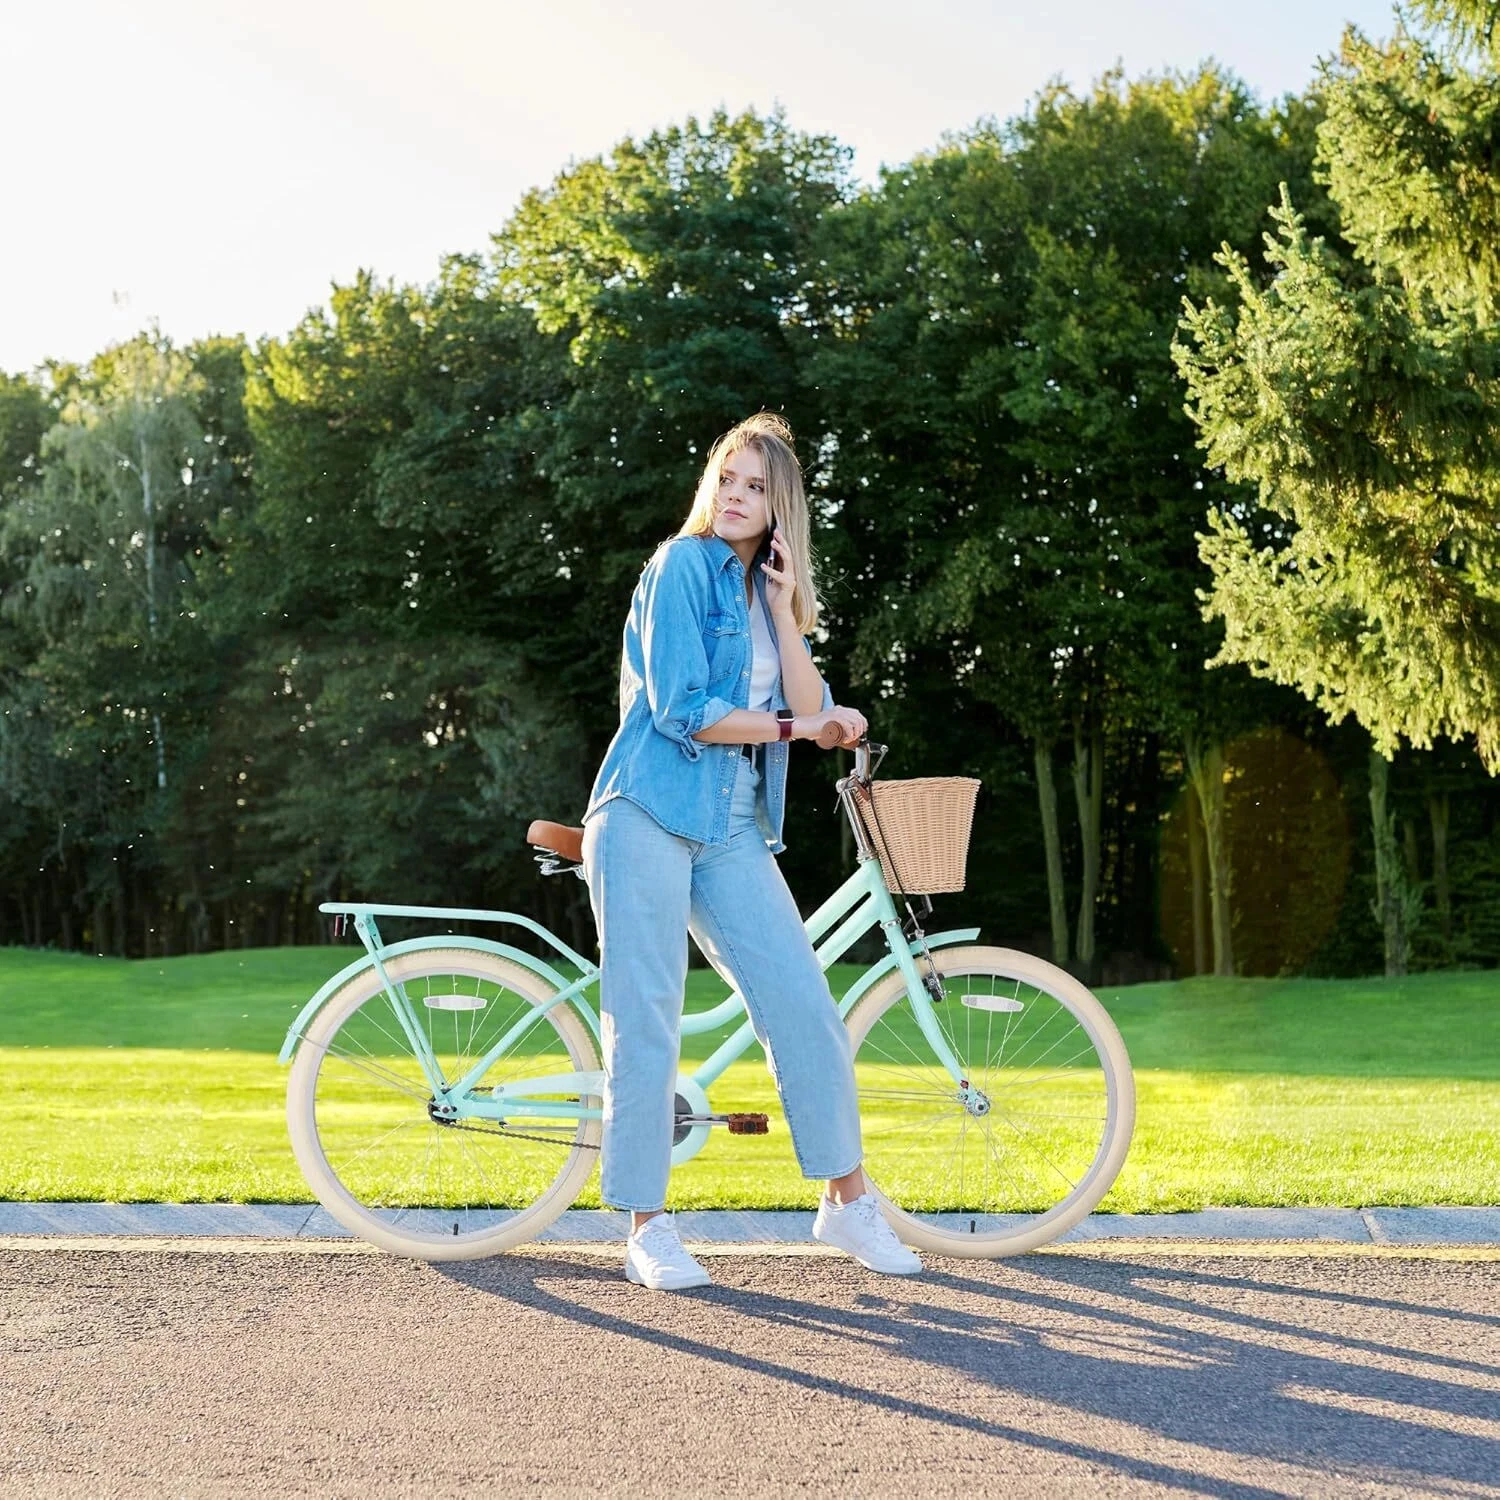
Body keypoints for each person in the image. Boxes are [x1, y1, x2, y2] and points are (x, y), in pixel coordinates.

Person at [581, 412, 922, 1291]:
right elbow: (682, 709)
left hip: (731, 824)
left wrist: (784, 613)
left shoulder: (759, 593)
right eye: (727, 480)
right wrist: (800, 724)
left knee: (803, 1003)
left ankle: (846, 1204)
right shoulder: (681, 566)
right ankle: (646, 1227)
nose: (736, 498)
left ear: (781, 509)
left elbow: (816, 701)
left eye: (756, 488)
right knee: (647, 1014)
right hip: (650, 805)